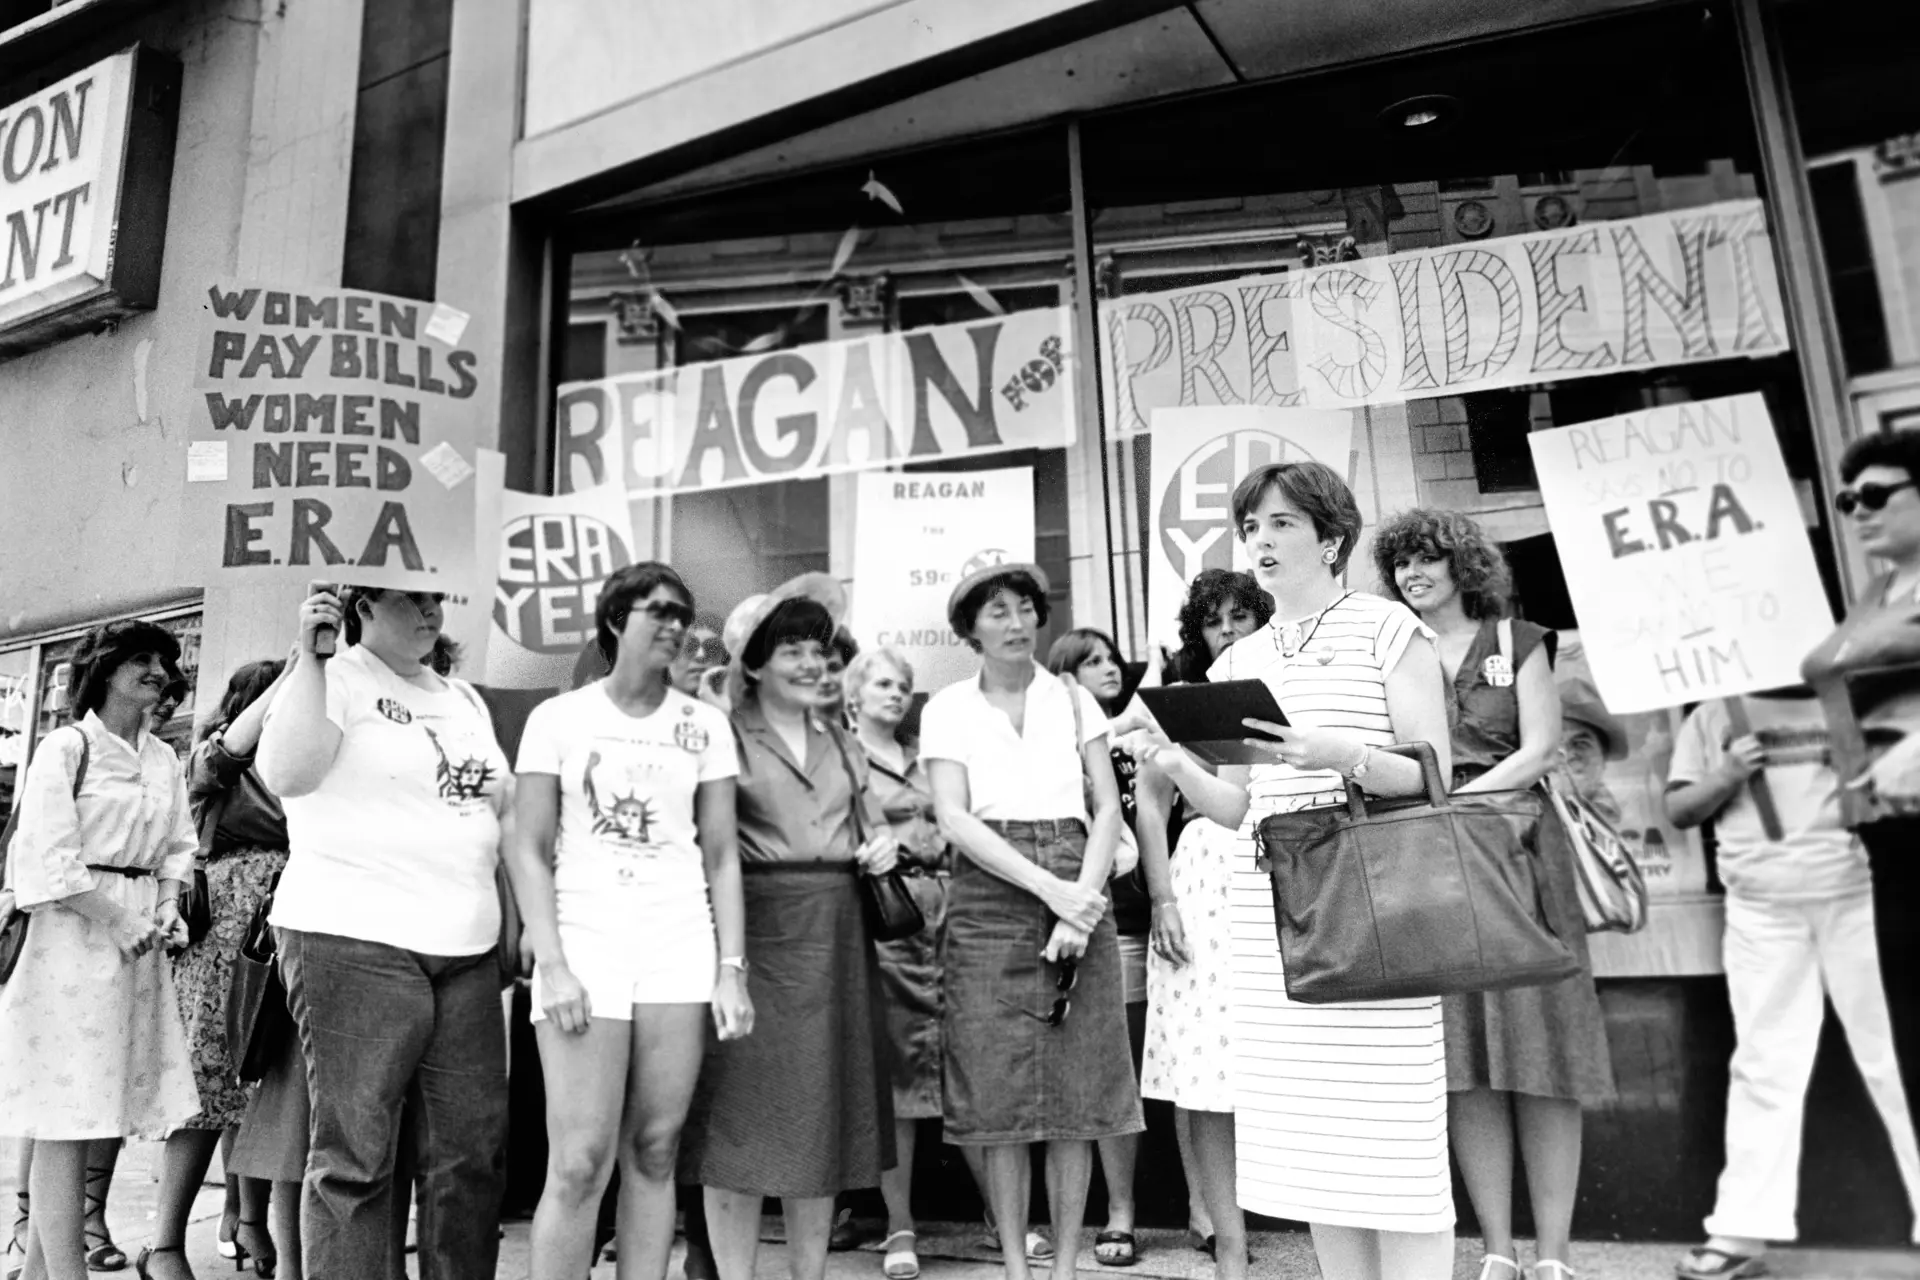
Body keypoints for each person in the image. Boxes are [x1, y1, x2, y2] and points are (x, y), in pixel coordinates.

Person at [1118, 462, 1455, 1280]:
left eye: (1282, 524)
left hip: (1376, 909)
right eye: (1253, 527)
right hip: (1272, 919)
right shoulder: (1239, 662)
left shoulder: (1388, 628)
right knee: (1319, 1156)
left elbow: (1434, 772)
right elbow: (1235, 808)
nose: (1261, 542)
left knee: (1396, 1149)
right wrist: (1171, 758)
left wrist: (1341, 754)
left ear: (1332, 539)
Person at [1373, 509, 1615, 1280]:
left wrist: (1460, 802)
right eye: (1401, 564)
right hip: (1436, 865)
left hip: (1517, 851)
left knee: (1545, 1053)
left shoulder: (1519, 640)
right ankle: (1497, 1251)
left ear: (1462, 565)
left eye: (1427, 560)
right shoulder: (1391, 651)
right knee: (1464, 1056)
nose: (1413, 575)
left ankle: (1554, 1256)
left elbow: (1541, 749)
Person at [256, 586, 515, 1279]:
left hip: (465, 945)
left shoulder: (461, 699)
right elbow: (285, 772)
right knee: (356, 1157)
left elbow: (504, 807)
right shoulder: (335, 678)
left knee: (471, 1155)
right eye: (412, 600)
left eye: (437, 599)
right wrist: (310, 660)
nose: (431, 613)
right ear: (361, 606)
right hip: (352, 938)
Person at [506, 562, 752, 1280]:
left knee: (655, 1147)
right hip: (586, 944)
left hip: (678, 945)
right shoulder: (561, 718)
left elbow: (722, 856)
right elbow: (528, 846)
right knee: (580, 1159)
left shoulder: (704, 725)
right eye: (658, 611)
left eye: (684, 613)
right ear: (616, 620)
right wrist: (550, 963)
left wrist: (730, 970)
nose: (675, 625)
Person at [921, 562, 1143, 1280]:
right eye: (997, 612)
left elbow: (1107, 807)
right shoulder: (949, 708)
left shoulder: (1074, 697)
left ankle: (1065, 1267)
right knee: (999, 1094)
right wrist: (1053, 890)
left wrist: (1080, 900)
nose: (1016, 623)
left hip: (1078, 869)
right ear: (970, 629)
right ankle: (1018, 1267)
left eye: (1025, 608)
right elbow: (953, 817)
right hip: (992, 888)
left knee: (1079, 1091)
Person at [677, 574, 899, 1280]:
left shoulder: (843, 740)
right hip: (750, 935)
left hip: (837, 938)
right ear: (755, 662)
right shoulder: (719, 734)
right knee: (733, 1128)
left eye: (819, 648)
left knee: (822, 1127)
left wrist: (885, 844)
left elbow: (876, 824)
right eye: (791, 649)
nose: (811, 663)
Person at [1666, 687, 1920, 1279]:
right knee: (1763, 1064)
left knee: (1896, 1064)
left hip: (1861, 898)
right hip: (1760, 909)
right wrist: (1728, 772)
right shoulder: (1713, 715)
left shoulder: (1849, 702)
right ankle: (1740, 1234)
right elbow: (1679, 810)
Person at [0, 621, 199, 1280]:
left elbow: (178, 846)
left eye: (162, 662)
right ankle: (66, 1275)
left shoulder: (163, 758)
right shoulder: (67, 747)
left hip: (134, 944)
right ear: (106, 670)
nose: (155, 671)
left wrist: (167, 907)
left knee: (99, 1112)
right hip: (71, 943)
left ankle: (35, 1273)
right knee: (67, 1117)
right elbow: (46, 860)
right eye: (139, 659)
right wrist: (117, 920)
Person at [1134, 569, 1272, 1280]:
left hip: (1278, 868)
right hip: (1201, 875)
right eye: (1215, 619)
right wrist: (1163, 901)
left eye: (1241, 614)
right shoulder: (1179, 702)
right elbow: (1151, 807)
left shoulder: (1284, 688)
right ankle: (1227, 1238)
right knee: (1207, 1066)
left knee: (1275, 1058)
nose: (1228, 629)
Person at [141, 659, 297, 1280]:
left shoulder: (306, 758)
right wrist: (295, 671)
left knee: (267, 1085)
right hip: (225, 936)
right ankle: (165, 1244)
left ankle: (249, 1219)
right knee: (211, 1086)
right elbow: (222, 756)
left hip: (288, 926)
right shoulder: (214, 764)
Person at [1801, 428, 1920, 1116]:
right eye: (1849, 500)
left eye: (1876, 495)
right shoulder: (1877, 589)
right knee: (1908, 1020)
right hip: (1884, 837)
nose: (1859, 511)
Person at [1044, 628, 1154, 1269]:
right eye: (1091, 661)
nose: (1109, 668)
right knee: (1077, 1073)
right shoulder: (1055, 752)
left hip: (1140, 925)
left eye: (1111, 658)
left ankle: (1122, 1212)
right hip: (1071, 924)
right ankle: (1072, 1223)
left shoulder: (1135, 740)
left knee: (1121, 1074)